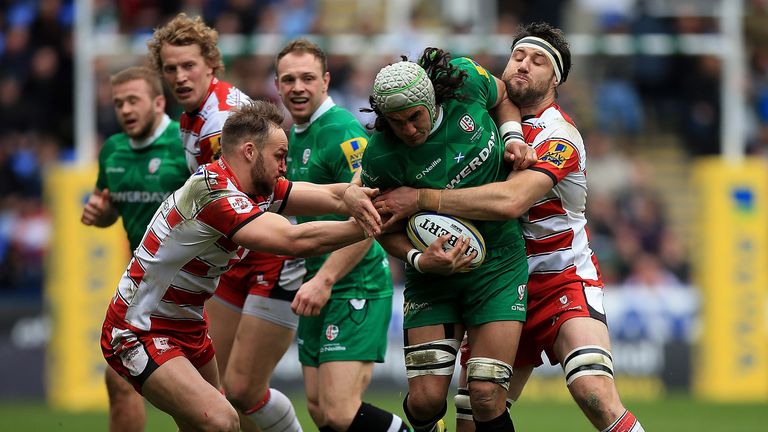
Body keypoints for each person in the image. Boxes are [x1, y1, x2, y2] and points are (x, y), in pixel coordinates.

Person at [372, 22, 646, 432]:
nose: (522, 65)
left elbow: (512, 201)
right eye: (517, 56)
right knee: (476, 408)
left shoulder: (559, 136)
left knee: (594, 392)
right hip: (494, 276)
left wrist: (423, 198)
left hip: (559, 280)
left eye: (537, 61)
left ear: (556, 78)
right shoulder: (483, 112)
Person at [99, 99, 383, 432]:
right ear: (249, 151)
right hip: (139, 328)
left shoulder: (255, 188)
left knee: (204, 422)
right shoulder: (215, 193)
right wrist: (372, 224)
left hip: (188, 325)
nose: (284, 166)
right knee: (222, 421)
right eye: (279, 156)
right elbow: (295, 241)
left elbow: (329, 196)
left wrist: (352, 194)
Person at [360, 48, 535, 432]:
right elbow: (383, 228)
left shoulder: (465, 80)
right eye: (396, 122)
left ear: (431, 100)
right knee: (425, 402)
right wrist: (421, 261)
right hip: (433, 279)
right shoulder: (381, 158)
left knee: (487, 394)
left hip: (499, 264)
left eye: (414, 117)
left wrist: (511, 136)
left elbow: (503, 95)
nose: (408, 130)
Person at [147, 13, 304, 431]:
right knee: (216, 399)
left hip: (266, 252)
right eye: (170, 68)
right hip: (237, 254)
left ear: (211, 64)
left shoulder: (219, 124)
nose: (180, 76)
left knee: (240, 391)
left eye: (189, 66)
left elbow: (254, 196)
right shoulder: (194, 114)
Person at [276, 39, 403, 432]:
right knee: (318, 409)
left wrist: (325, 279)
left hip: (354, 283)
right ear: (277, 85)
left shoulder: (342, 132)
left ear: (326, 80)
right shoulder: (294, 135)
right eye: (288, 79)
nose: (297, 87)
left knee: (339, 411)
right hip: (318, 280)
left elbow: (370, 218)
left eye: (307, 78)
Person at [81, 66, 190, 432]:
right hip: (141, 283)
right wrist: (102, 213)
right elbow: (108, 207)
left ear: (159, 102)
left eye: (133, 101)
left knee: (211, 393)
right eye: (118, 103)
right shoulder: (112, 150)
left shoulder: (183, 143)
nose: (125, 110)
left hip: (192, 281)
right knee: (119, 378)